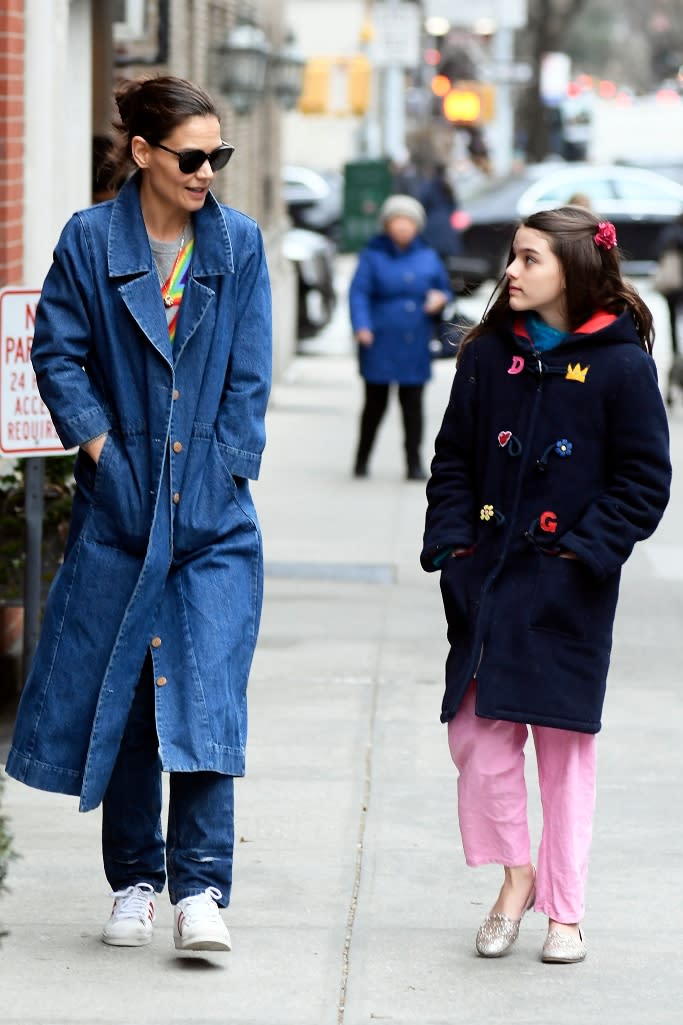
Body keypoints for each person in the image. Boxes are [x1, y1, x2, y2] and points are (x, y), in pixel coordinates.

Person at [5, 76, 272, 953]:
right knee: (125, 704)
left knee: (206, 698)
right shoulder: (90, 241)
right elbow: (59, 354)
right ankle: (135, 881)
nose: (207, 173)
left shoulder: (236, 243)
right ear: (145, 152)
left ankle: (201, 887)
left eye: (218, 156)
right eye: (192, 156)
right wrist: (103, 458)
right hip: (120, 514)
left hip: (213, 520)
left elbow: (249, 373)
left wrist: (227, 475)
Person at [421, 206, 670, 963]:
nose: (511, 272)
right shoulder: (487, 353)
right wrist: (453, 548)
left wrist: (581, 553)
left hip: (566, 591)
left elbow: (643, 480)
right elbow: (453, 461)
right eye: (513, 258)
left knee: (564, 752)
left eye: (528, 259)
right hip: (487, 579)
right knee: (475, 737)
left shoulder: (622, 364)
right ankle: (515, 874)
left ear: (571, 268)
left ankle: (565, 910)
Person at [349, 194, 452, 480]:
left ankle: (414, 464)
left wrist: (439, 299)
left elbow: (445, 289)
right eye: (398, 220)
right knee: (375, 405)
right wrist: (361, 326)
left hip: (415, 341)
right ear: (387, 224)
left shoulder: (428, 256)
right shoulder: (372, 256)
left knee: (413, 407)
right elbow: (359, 293)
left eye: (409, 221)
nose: (404, 227)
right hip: (380, 340)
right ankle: (361, 459)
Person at [418, 163, 463, 262]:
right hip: (447, 227)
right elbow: (455, 206)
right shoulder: (448, 187)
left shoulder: (428, 186)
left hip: (432, 227)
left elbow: (421, 204)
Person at [654, 212, 683, 355]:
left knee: (672, 318)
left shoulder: (669, 230)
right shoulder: (675, 231)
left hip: (672, 284)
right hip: (677, 282)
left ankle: (676, 351)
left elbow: (657, 252)